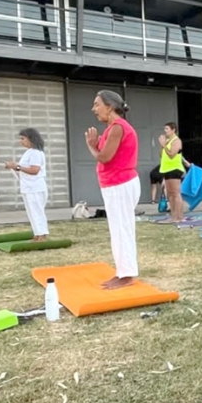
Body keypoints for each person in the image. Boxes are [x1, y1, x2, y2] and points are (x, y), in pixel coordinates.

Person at [86, 90, 139, 290]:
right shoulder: (113, 128)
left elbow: (104, 157)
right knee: (118, 230)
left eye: (97, 104)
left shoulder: (118, 127)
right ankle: (123, 272)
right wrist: (95, 145)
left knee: (122, 230)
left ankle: (127, 275)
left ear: (109, 107)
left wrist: (91, 146)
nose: (94, 109)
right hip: (115, 185)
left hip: (120, 184)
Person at [5, 128, 48, 242]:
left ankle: (42, 234)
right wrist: (13, 166)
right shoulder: (29, 152)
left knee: (37, 211)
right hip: (28, 187)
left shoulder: (36, 153)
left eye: (23, 138)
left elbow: (34, 170)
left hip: (35, 187)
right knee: (32, 212)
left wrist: (17, 167)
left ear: (31, 138)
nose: (21, 141)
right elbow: (23, 168)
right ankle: (37, 233)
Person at [157, 122, 185, 223]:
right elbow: (161, 155)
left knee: (176, 193)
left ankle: (179, 217)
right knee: (170, 194)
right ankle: (173, 216)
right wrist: (162, 146)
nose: (165, 131)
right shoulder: (167, 141)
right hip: (166, 169)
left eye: (167, 129)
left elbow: (172, 154)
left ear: (173, 130)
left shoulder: (176, 141)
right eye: (165, 129)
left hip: (174, 169)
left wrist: (164, 145)